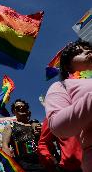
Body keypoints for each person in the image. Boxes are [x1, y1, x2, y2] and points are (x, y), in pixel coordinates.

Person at [44, 40, 92, 172]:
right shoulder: (62, 86)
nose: (87, 51)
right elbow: (57, 126)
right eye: (78, 52)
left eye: (88, 48)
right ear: (67, 66)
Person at [2, 99, 45, 171]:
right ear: (14, 111)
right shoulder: (10, 126)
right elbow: (5, 145)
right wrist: (10, 163)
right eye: (18, 107)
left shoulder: (35, 125)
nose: (21, 108)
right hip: (23, 163)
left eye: (24, 107)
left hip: (41, 161)